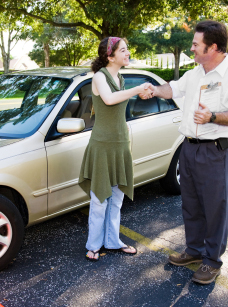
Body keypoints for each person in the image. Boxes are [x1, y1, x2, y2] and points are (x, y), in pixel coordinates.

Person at [142, 20, 228, 284]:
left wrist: (212, 116)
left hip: (215, 152)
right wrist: (155, 90)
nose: (192, 49)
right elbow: (174, 88)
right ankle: (194, 250)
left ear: (212, 47)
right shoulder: (196, 73)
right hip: (188, 149)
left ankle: (212, 261)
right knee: (190, 205)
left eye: (195, 44)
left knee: (215, 208)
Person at [79, 37, 152, 261]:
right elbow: (109, 100)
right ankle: (93, 245)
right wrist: (136, 89)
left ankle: (112, 241)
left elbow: (119, 99)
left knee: (117, 198)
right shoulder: (99, 76)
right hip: (102, 145)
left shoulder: (119, 77)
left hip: (120, 143)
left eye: (127, 49)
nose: (127, 53)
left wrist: (139, 92)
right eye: (123, 50)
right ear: (110, 56)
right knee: (100, 198)